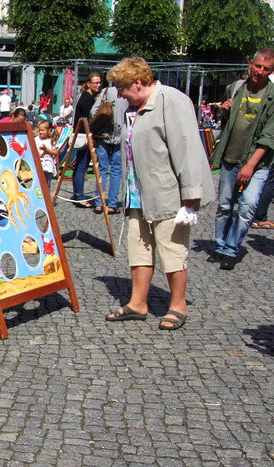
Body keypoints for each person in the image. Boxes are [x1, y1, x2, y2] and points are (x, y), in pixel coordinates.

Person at [104, 56, 214, 331]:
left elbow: (186, 148)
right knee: (139, 250)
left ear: (138, 83)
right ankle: (138, 303)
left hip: (167, 194)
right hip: (137, 193)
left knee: (172, 251)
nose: (119, 94)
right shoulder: (136, 108)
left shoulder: (171, 101)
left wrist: (190, 196)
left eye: (121, 87)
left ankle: (178, 305)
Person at [210, 49, 274, 270]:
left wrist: (250, 165)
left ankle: (231, 248)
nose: (260, 72)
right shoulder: (236, 88)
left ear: (271, 71)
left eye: (266, 69)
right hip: (231, 156)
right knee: (224, 205)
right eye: (258, 66)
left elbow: (269, 136)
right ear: (250, 64)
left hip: (257, 163)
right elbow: (227, 124)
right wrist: (225, 111)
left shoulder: (272, 95)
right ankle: (220, 246)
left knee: (247, 207)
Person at [90, 85, 128, 214]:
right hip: (121, 134)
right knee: (116, 170)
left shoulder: (106, 91)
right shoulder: (129, 92)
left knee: (102, 169)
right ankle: (112, 204)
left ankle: (99, 203)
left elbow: (93, 111)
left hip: (103, 134)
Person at [69, 73, 102, 207]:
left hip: (84, 135)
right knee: (82, 165)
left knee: (81, 165)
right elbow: (90, 118)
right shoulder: (87, 98)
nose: (98, 85)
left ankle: (79, 195)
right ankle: (79, 197)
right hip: (85, 136)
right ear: (88, 84)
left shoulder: (88, 97)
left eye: (99, 82)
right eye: (95, 82)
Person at [35, 119, 59, 188]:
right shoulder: (36, 139)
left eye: (42, 130)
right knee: (38, 184)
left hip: (48, 164)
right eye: (39, 130)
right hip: (38, 162)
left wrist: (46, 150)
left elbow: (56, 152)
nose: (40, 132)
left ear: (49, 131)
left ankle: (46, 197)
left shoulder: (51, 140)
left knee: (46, 184)